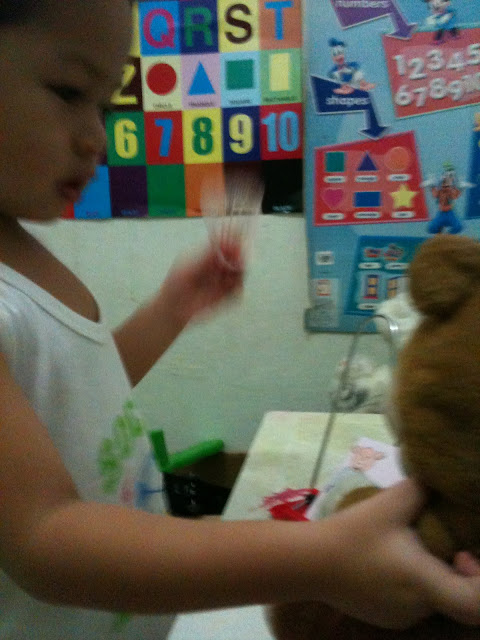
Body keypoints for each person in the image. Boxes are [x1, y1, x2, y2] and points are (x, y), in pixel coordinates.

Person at [0, 1, 479, 638]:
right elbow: (44, 537)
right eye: (68, 92)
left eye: (107, 105)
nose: (97, 138)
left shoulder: (25, 255)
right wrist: (322, 559)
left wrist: (169, 312)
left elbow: (76, 394)